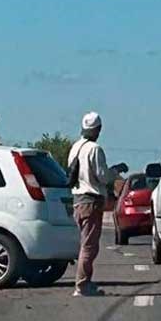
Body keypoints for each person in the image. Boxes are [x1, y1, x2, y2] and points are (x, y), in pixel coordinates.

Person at [67, 111, 126, 297]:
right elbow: (102, 176)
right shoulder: (95, 149)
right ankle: (82, 285)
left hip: (77, 200)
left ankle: (84, 283)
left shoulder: (75, 147)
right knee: (89, 245)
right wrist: (116, 171)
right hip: (91, 201)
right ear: (98, 129)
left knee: (85, 243)